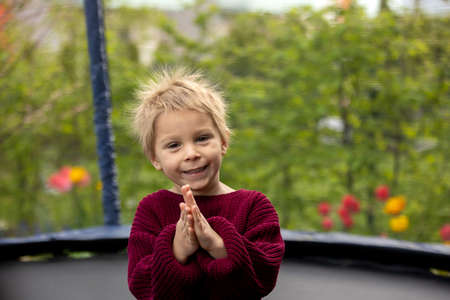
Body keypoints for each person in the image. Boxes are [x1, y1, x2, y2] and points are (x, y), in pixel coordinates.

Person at [127, 68, 285, 300]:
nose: (191, 153)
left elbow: (264, 276)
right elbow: (141, 285)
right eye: (174, 145)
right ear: (155, 159)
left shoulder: (254, 206)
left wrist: (218, 244)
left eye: (202, 139)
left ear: (223, 141)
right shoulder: (151, 209)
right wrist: (177, 250)